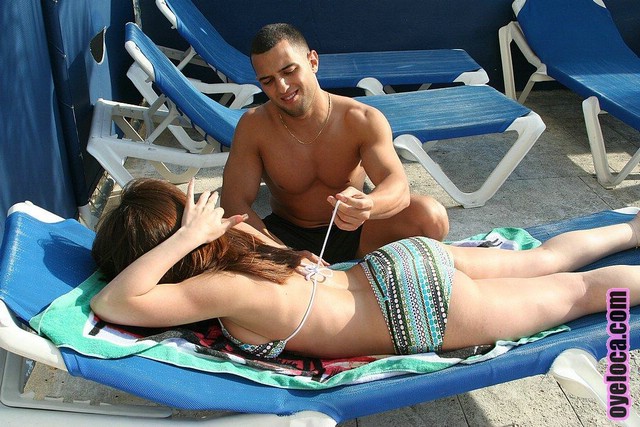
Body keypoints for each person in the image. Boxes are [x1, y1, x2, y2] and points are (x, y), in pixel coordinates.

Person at [91, 178, 640, 359]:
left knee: (580, 293)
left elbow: (113, 301)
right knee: (544, 261)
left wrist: (183, 241)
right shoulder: (244, 243)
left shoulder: (220, 287)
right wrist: (197, 231)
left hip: (417, 311)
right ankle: (631, 229)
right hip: (397, 264)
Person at [220, 23, 449, 264]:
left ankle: (355, 267)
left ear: (313, 61)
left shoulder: (360, 119)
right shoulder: (254, 126)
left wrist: (369, 205)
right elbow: (233, 204)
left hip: (357, 231)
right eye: (268, 81)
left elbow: (398, 186)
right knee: (218, 251)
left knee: (430, 216)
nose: (282, 87)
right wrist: (281, 253)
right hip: (285, 236)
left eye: (289, 71)